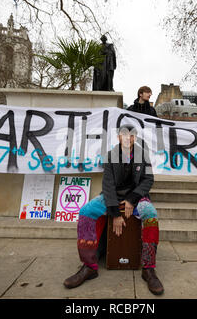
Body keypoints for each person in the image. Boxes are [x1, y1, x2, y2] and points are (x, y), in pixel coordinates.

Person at [63, 124, 164, 295]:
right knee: (86, 212)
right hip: (112, 196)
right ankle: (89, 266)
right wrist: (115, 213)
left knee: (151, 215)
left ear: (135, 138)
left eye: (131, 135)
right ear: (119, 137)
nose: (127, 138)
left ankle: (148, 269)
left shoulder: (143, 155)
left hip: (136, 197)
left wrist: (132, 200)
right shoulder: (111, 156)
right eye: (124, 134)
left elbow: (148, 180)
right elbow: (107, 185)